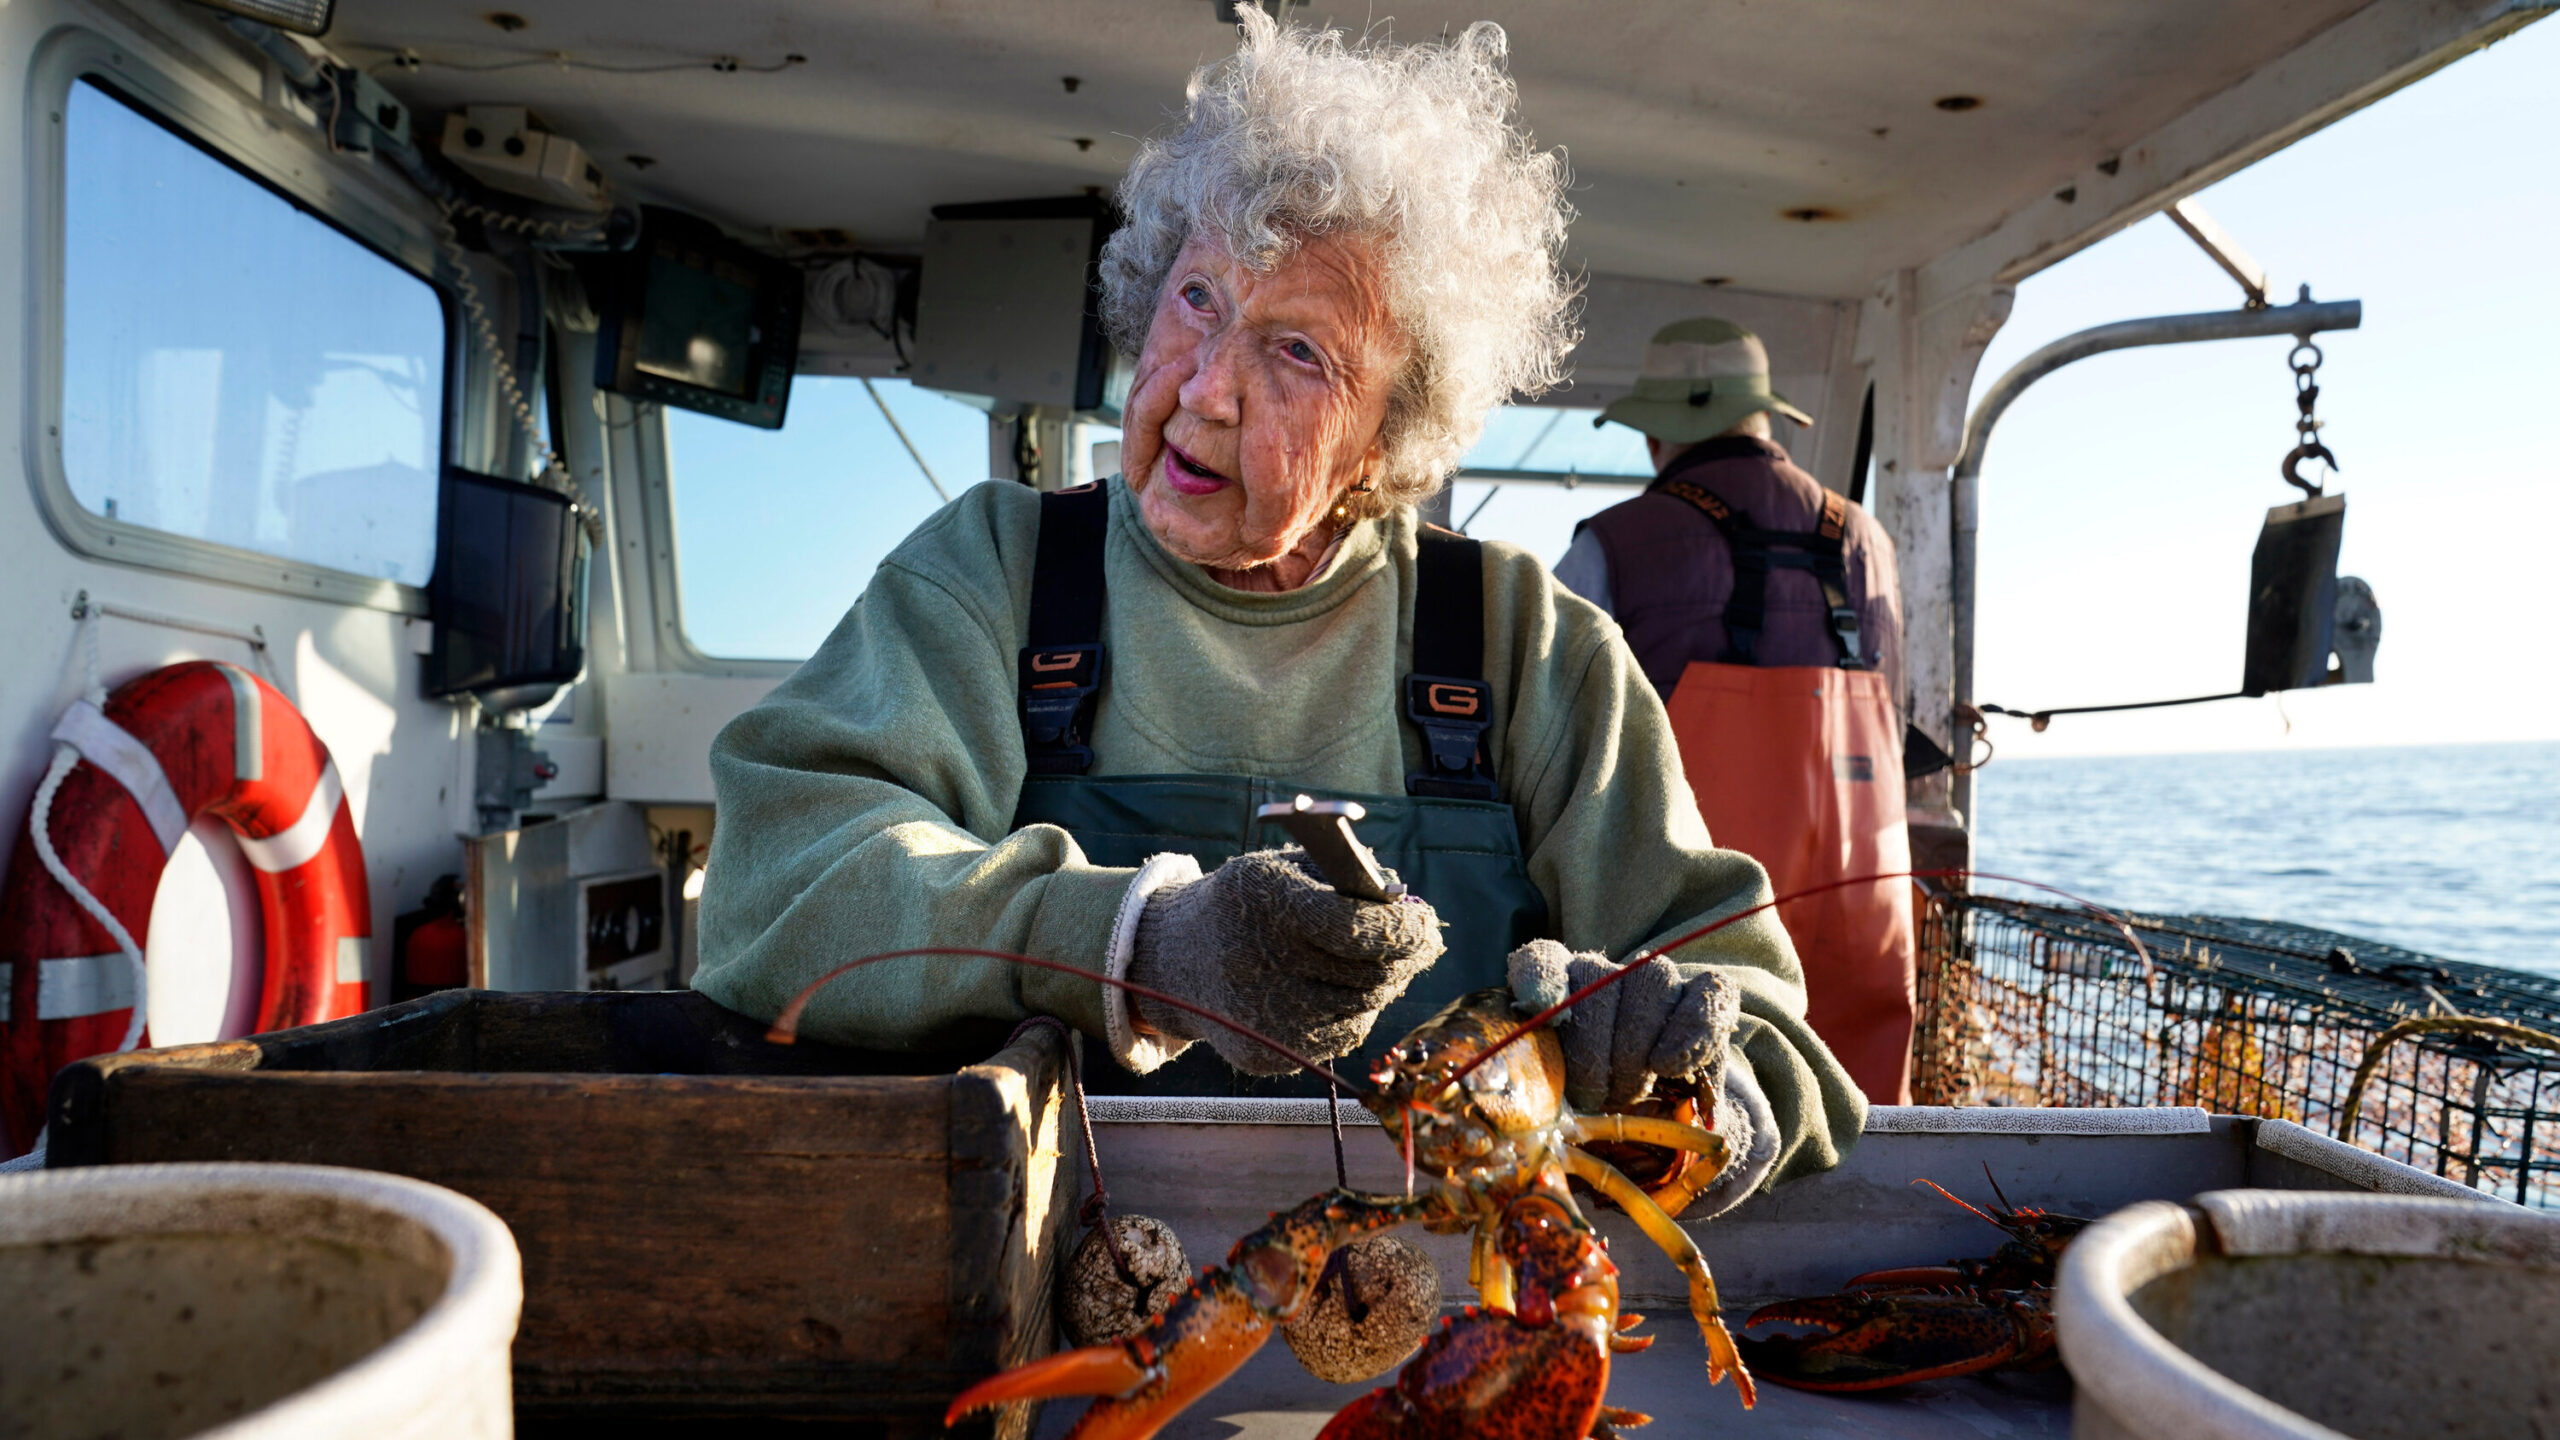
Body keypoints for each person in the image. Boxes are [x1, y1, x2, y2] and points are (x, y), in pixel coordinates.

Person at [694, 14, 1862, 1215]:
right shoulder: (996, 571)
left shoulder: (1526, 644)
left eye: (1297, 352)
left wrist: (1694, 1095)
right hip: (1043, 1274)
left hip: (1441, 1295)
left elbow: (1765, 1035)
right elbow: (774, 889)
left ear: (1389, 437)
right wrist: (1137, 945)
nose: (1205, 389)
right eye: (1196, 298)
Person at [1555, 319, 1918, 1103]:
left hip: (1698, 915)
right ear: (1764, 417)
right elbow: (1895, 704)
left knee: (1691, 1111)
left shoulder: (1612, 544)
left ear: (1657, 433)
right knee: (1860, 1113)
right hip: (1861, 899)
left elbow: (1551, 728)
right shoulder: (1869, 540)